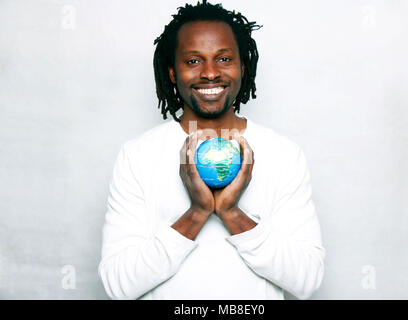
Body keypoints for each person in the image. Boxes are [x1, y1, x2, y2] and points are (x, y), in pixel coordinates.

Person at [98, 0, 325, 300]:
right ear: (171, 72)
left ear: (243, 66)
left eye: (223, 59)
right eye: (193, 60)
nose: (209, 73)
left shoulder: (283, 154)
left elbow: (307, 280)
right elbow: (118, 286)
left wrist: (232, 214)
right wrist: (197, 212)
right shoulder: (137, 156)